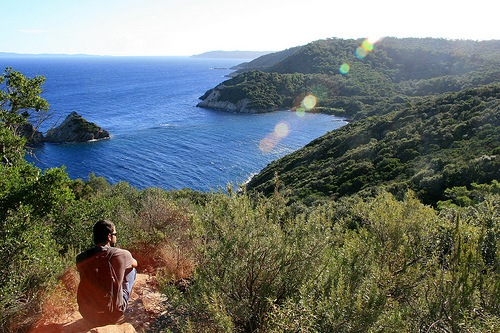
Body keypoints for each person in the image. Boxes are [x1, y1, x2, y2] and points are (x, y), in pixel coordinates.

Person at [76, 220, 138, 326]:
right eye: (115, 234)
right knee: (132, 270)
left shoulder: (81, 257)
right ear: (109, 237)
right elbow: (135, 263)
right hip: (113, 313)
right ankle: (121, 305)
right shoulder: (122, 254)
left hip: (88, 315)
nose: (115, 237)